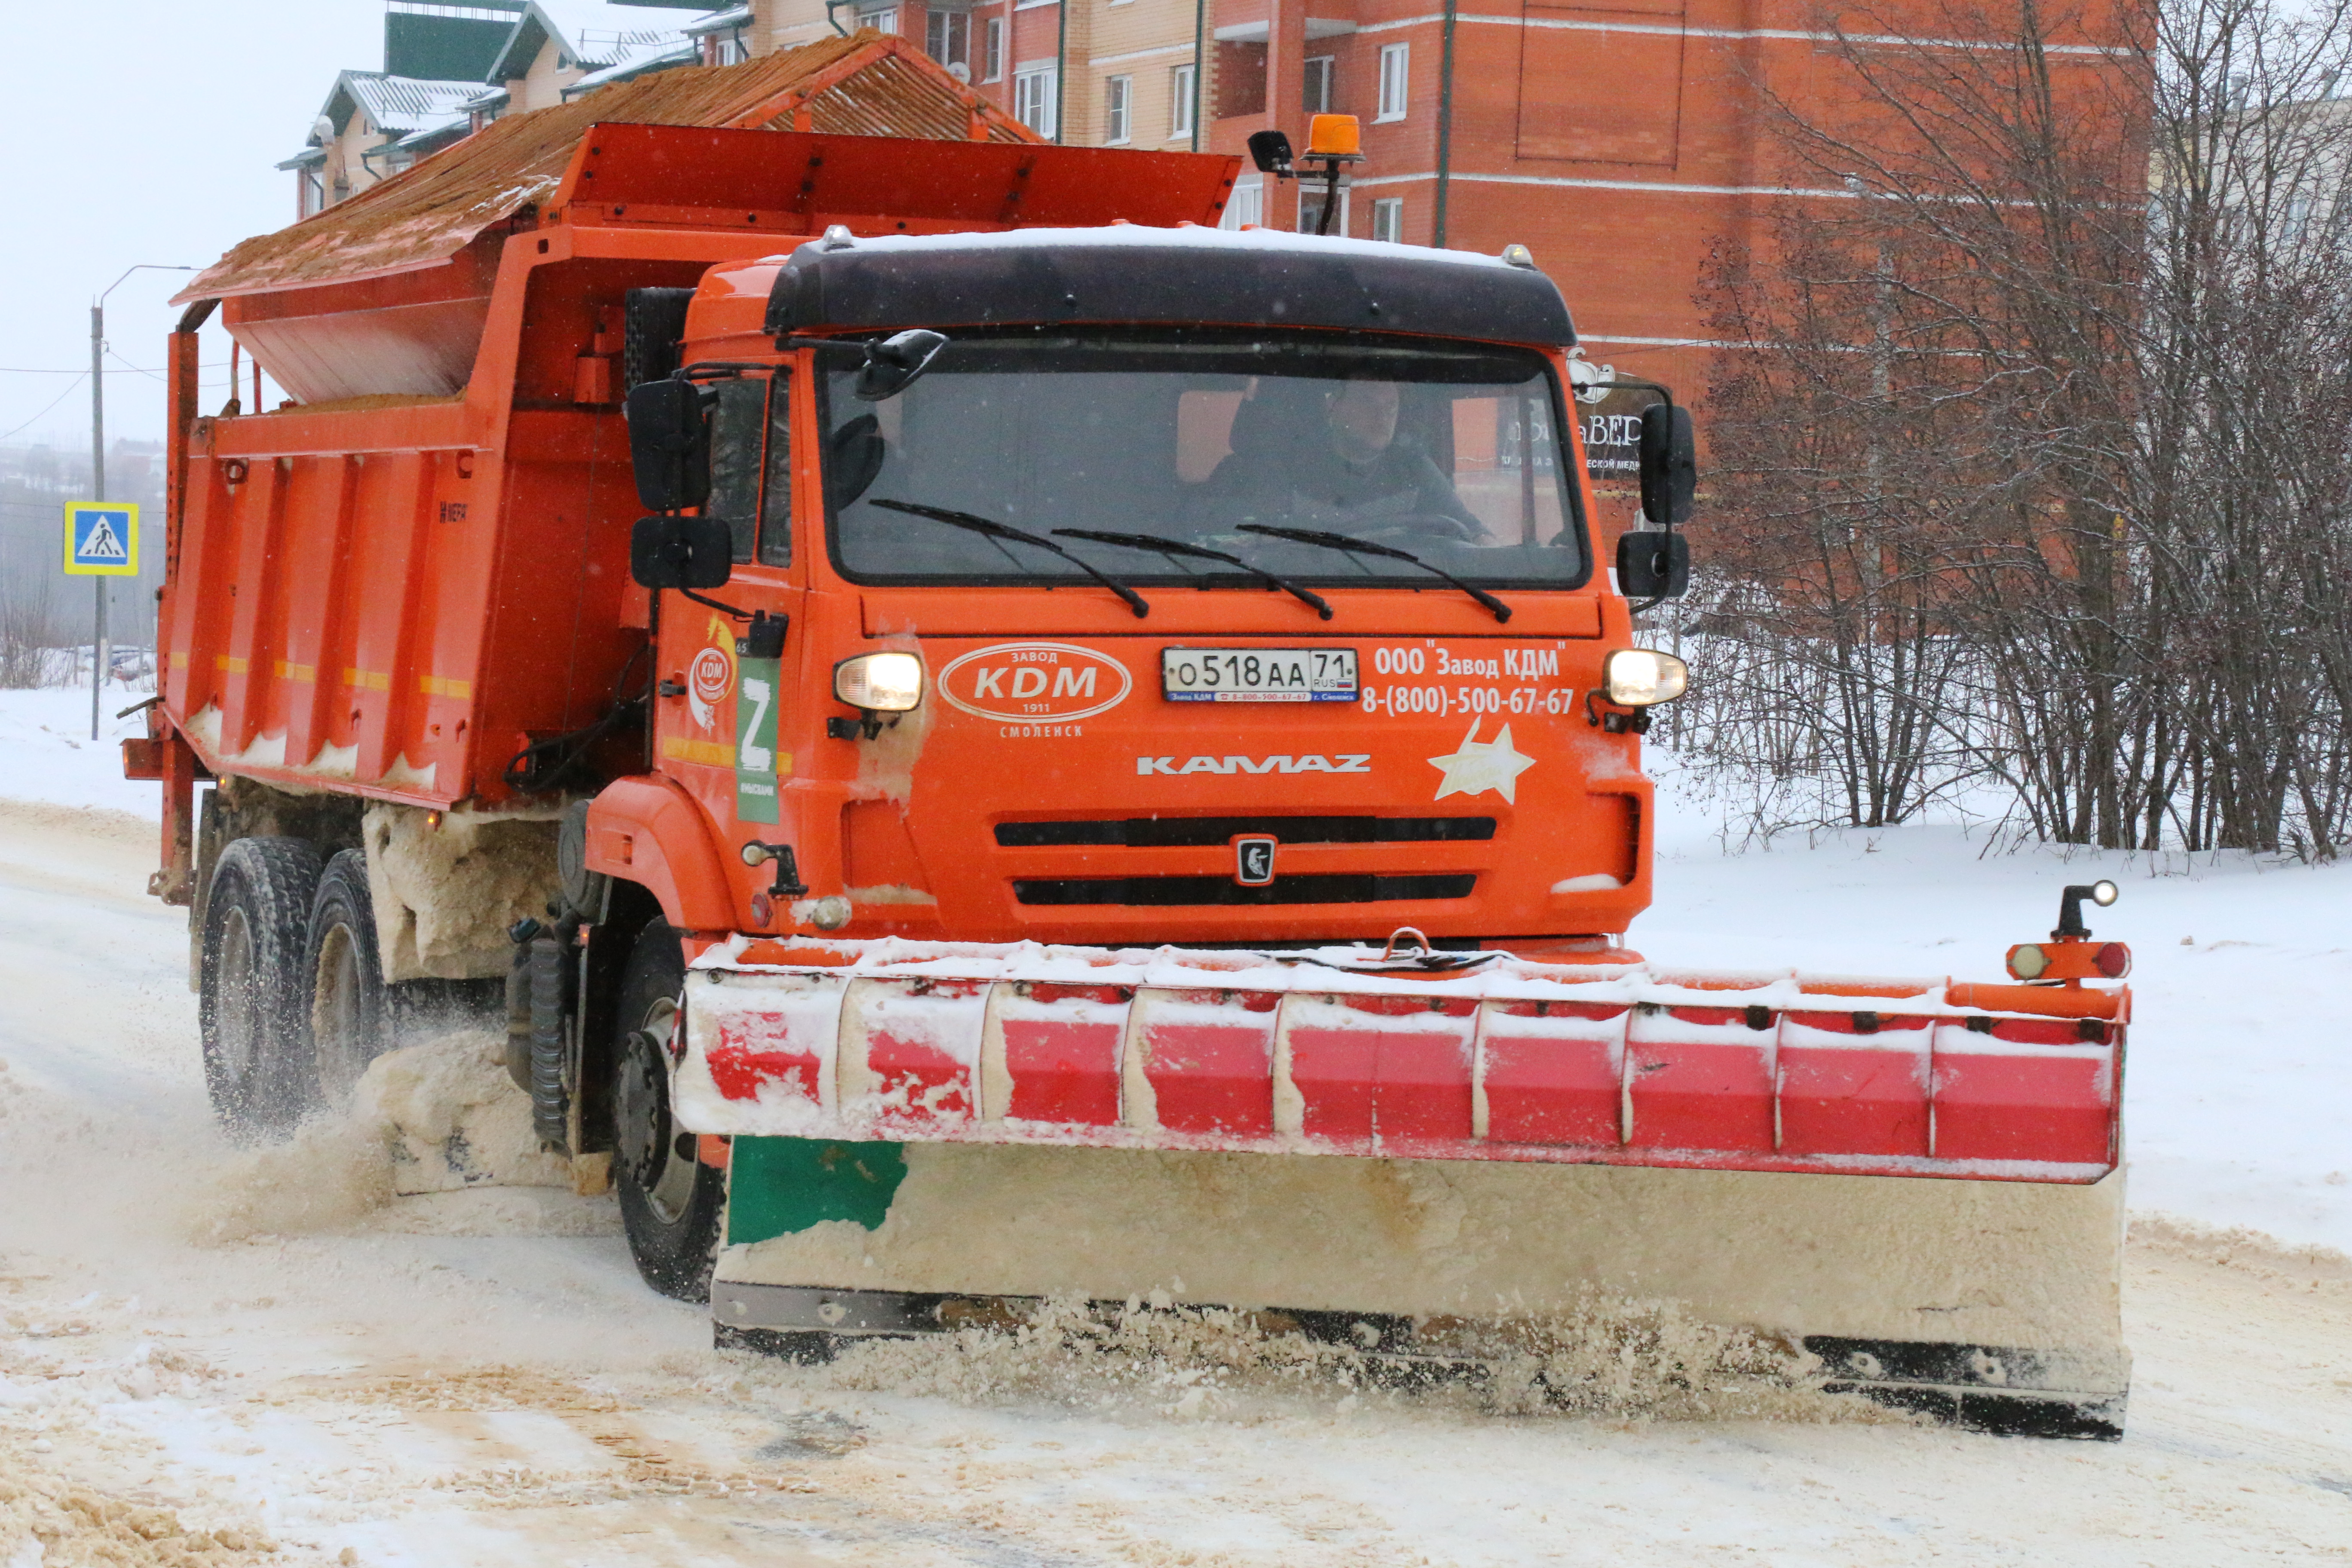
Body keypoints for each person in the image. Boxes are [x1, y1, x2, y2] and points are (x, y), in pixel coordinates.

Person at [1187, 376, 1482, 539]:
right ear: (1333, 408)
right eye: (1369, 404)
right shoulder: (1280, 470)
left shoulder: (1414, 470)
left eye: (1391, 407)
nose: (1383, 417)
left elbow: (1474, 537)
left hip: (1394, 598)